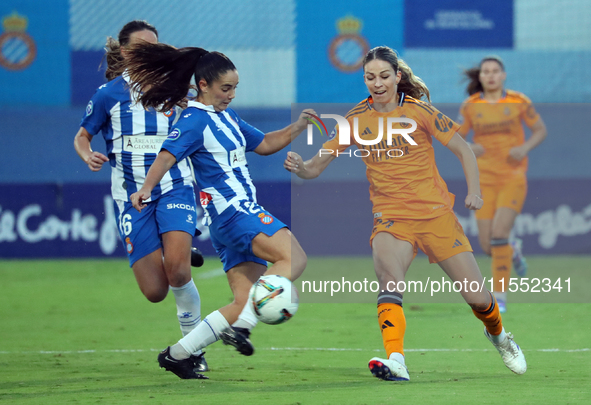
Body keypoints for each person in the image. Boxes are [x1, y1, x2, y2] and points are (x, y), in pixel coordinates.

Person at [284, 46, 527, 382]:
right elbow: (316, 167)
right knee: (389, 281)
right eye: (370, 77)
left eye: (384, 76)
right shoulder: (354, 120)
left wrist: (474, 191)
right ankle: (396, 359)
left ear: (397, 76)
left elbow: (463, 149)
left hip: (435, 216)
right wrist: (301, 166)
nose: (377, 83)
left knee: (478, 297)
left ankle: (499, 336)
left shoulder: (420, 111)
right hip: (391, 217)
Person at [124, 42, 309, 379]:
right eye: (226, 88)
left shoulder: (226, 116)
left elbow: (265, 144)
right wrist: (147, 188)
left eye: (235, 88)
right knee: (293, 258)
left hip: (232, 219)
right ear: (203, 85)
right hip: (234, 212)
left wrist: (298, 126)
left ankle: (178, 354)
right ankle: (245, 328)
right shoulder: (194, 119)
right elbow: (167, 155)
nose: (232, 94)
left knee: (243, 302)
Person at [73, 20, 208, 372]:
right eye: (141, 47)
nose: (150, 52)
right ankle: (172, 246)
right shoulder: (108, 95)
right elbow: (82, 136)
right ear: (124, 53)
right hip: (131, 198)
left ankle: (192, 349)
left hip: (175, 186)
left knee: (178, 272)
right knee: (155, 291)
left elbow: (202, 118)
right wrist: (88, 155)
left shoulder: (175, 90)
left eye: (155, 46)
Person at [458, 56, 547, 313]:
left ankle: (500, 295)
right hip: (484, 179)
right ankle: (514, 250)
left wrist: (524, 147)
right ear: (481, 77)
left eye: (495, 71)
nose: (491, 75)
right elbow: (456, 136)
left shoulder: (519, 101)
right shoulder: (471, 106)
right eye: (486, 72)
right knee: (488, 246)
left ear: (503, 75)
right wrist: (472, 147)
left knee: (499, 234)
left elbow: (540, 130)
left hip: (513, 177)